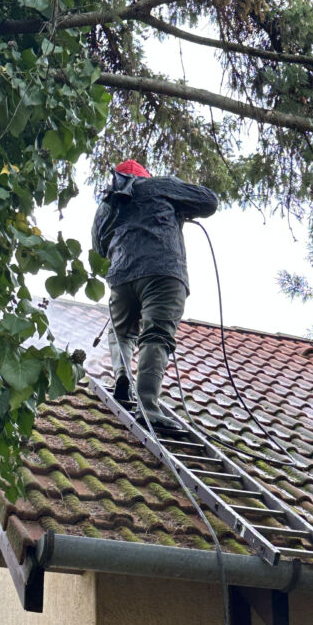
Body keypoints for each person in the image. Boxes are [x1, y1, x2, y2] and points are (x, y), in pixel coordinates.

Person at [91, 159, 218, 434]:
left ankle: (122, 376)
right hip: (163, 272)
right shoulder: (161, 186)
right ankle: (148, 407)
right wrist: (180, 205)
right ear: (144, 177)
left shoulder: (107, 205)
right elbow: (210, 201)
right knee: (156, 335)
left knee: (122, 331)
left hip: (122, 276)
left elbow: (99, 247)